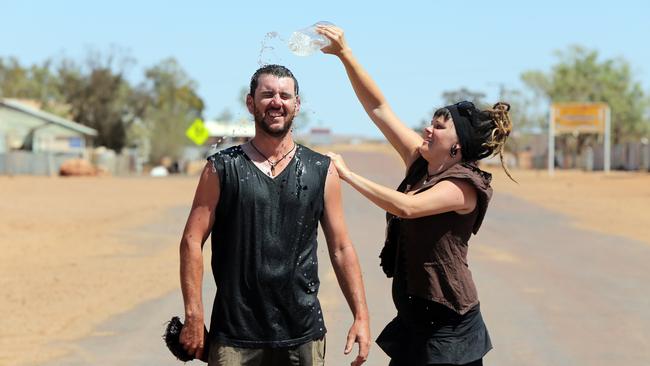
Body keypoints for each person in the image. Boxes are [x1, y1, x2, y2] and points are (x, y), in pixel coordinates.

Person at [317, 25, 514, 365]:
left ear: (456, 146)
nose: (427, 128)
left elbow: (407, 207)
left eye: (438, 126)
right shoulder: (422, 163)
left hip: (450, 330)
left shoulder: (463, 186)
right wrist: (345, 55)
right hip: (414, 322)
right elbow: (379, 108)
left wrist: (348, 176)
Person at [178, 64, 370, 366]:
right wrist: (194, 314)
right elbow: (191, 241)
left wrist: (361, 315)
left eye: (285, 95)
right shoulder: (221, 168)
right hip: (235, 337)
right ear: (251, 103)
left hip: (302, 335)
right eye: (267, 94)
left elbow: (341, 247)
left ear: (297, 104)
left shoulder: (321, 169)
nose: (276, 102)